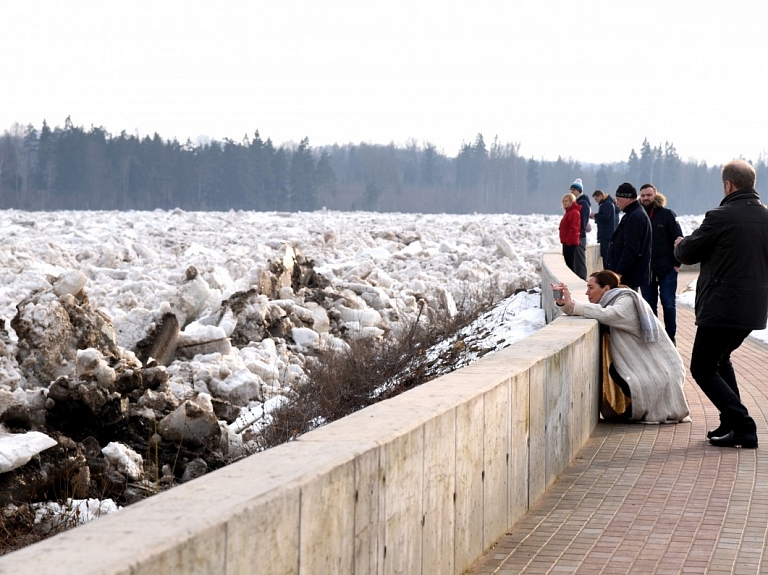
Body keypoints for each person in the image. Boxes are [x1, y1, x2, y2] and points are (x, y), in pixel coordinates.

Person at [674, 159, 768, 448]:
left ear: (728, 185)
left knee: (702, 367)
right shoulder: (766, 216)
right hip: (754, 307)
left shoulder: (720, 215)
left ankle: (743, 425)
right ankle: (731, 422)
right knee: (720, 359)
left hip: (722, 305)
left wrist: (679, 244)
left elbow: (688, 253)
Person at [551, 270, 690, 423]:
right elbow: (591, 311)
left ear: (606, 288)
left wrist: (574, 305)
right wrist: (564, 303)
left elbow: (610, 315)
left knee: (620, 372)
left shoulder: (626, 299)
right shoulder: (610, 301)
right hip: (647, 364)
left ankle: (638, 407)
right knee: (617, 370)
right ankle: (634, 407)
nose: (586, 292)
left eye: (591, 287)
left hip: (663, 365)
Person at [639, 184, 683, 343]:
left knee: (668, 304)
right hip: (646, 271)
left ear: (655, 195)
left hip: (667, 269)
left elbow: (679, 240)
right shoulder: (638, 216)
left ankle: (671, 339)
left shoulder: (667, 215)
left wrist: (676, 264)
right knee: (649, 307)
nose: (646, 198)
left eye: (648, 195)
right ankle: (655, 340)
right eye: (643, 195)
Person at [606, 183, 651, 291]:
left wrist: (619, 273)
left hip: (627, 277)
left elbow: (631, 248)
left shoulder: (635, 217)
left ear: (627, 198)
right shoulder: (632, 214)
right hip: (627, 275)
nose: (616, 202)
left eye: (618, 199)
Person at [591, 189, 620, 267]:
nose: (596, 201)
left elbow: (606, 217)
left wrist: (596, 216)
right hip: (610, 234)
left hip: (605, 234)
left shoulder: (606, 204)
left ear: (600, 196)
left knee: (606, 256)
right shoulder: (610, 203)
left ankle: (607, 272)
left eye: (596, 199)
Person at [569, 178, 590, 280]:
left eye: (574, 190)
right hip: (577, 236)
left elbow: (583, 221)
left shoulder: (583, 203)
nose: (572, 192)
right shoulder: (578, 202)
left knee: (580, 260)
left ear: (579, 191)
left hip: (580, 236)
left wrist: (579, 234)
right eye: (571, 190)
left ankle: (581, 279)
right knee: (576, 260)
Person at [559, 193, 581, 276]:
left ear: (572, 201)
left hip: (570, 243)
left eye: (566, 201)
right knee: (568, 263)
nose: (564, 203)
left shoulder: (574, 212)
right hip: (566, 242)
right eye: (563, 201)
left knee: (570, 264)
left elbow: (574, 228)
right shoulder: (569, 212)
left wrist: (568, 241)